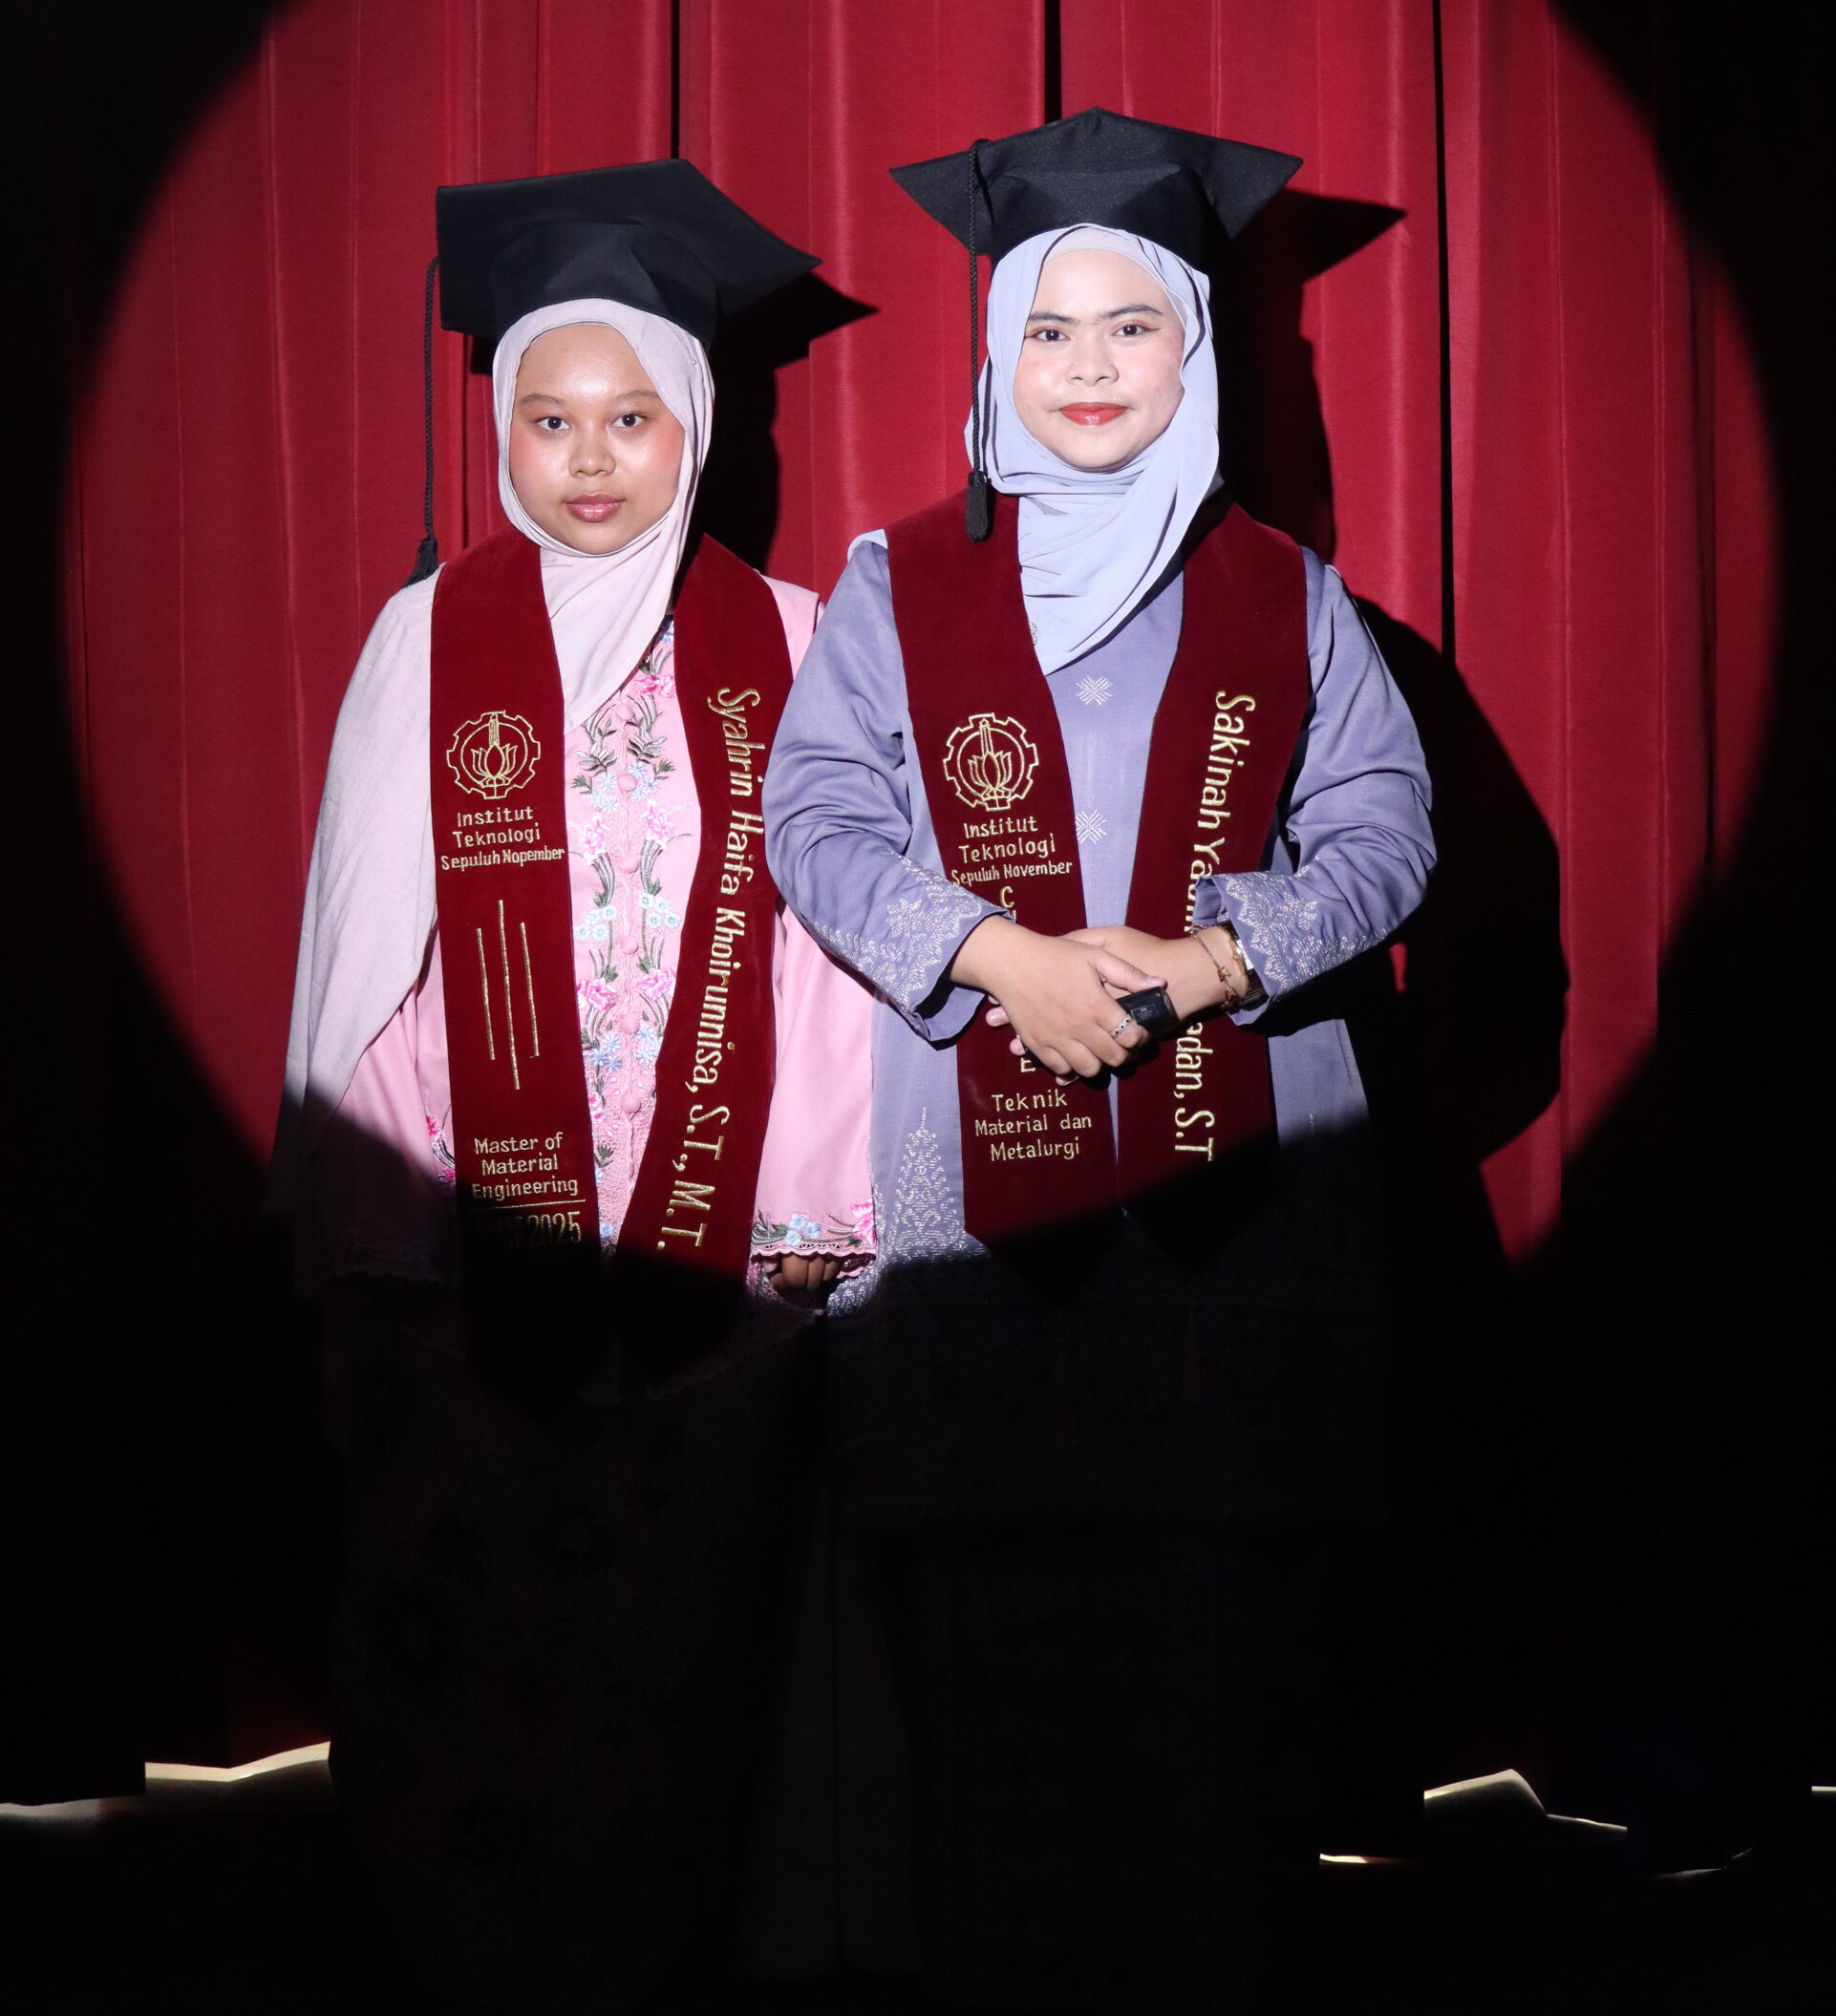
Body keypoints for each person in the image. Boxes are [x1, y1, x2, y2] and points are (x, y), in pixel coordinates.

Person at [763, 108, 1436, 2010]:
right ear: (995, 348)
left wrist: (1220, 959)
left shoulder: (1285, 589)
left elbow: (1386, 828)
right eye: (1046, 328)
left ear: (1191, 346)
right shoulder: (895, 584)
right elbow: (816, 819)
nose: (1086, 366)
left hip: (1244, 1196)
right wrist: (992, 958)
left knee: (1225, 1655)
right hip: (969, 1200)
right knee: (989, 1662)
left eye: (1130, 325)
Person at [272, 159, 873, 2012]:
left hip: (719, 1248)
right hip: (466, 1258)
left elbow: (824, 960)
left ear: (693, 424)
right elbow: (364, 951)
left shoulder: (792, 639)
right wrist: (377, 1225)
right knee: (468, 1648)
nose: (589, 459)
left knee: (677, 1657)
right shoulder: (425, 639)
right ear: (503, 431)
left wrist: (815, 1207)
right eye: (549, 419)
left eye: (629, 417)